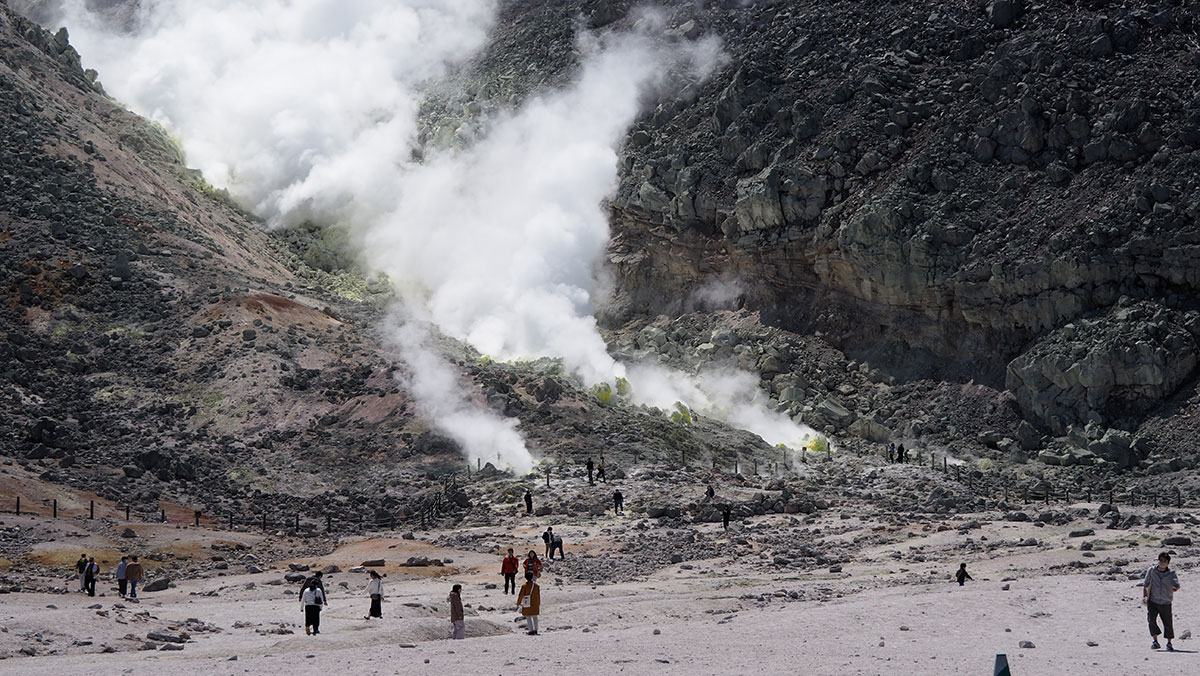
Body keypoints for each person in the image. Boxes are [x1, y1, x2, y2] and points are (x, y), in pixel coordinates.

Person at [1144, 552, 1182, 651]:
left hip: (1166, 601)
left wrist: (1175, 587)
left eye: (1165, 561)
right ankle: (1155, 641)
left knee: (1168, 623)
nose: (1162, 563)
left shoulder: (1171, 573)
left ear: (1168, 563)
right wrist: (1144, 596)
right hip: (1153, 600)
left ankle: (1169, 643)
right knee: (1151, 620)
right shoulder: (1152, 571)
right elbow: (1146, 584)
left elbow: (1176, 583)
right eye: (1161, 560)